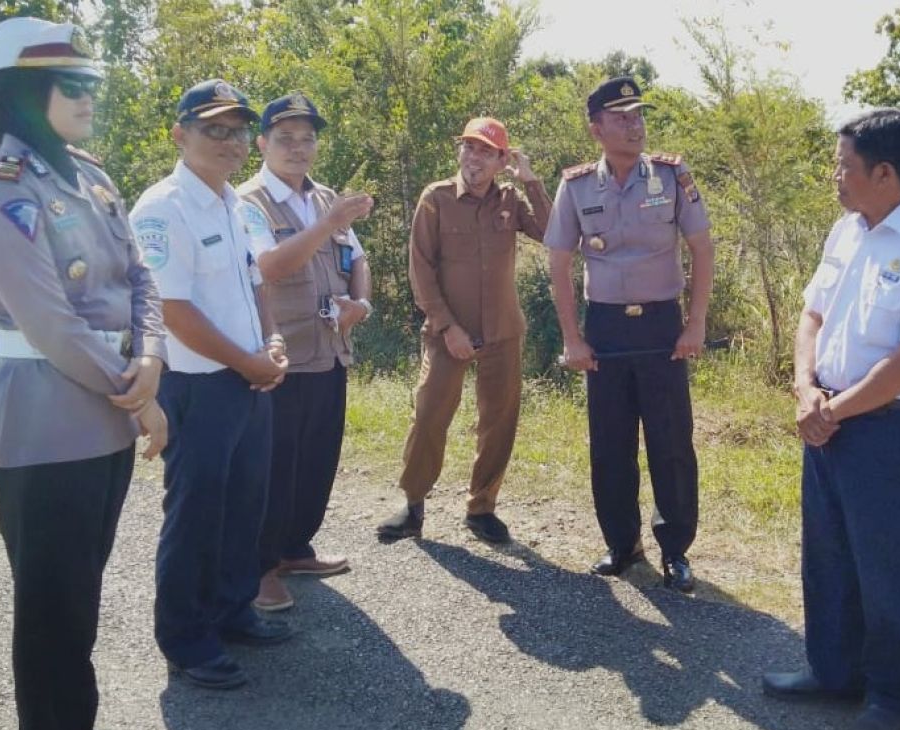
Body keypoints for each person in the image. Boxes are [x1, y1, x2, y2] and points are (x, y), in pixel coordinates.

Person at [0, 17, 167, 730]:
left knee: (79, 596)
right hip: (44, 423)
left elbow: (141, 278)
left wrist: (151, 356)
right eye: (73, 84)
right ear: (21, 91)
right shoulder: (0, 192)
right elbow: (50, 326)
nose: (91, 96)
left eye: (92, 83)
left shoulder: (90, 175)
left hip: (101, 417)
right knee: (50, 609)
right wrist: (142, 397)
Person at [759, 109, 900, 730]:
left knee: (885, 566)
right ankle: (834, 673)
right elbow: (812, 315)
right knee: (826, 554)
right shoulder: (846, 231)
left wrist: (832, 410)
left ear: (885, 172)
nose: (835, 178)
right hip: (827, 418)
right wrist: (805, 390)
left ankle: (890, 695)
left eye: (844, 167)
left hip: (889, 432)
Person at [130, 78, 292, 691]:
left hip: (249, 379)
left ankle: (231, 609)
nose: (230, 142)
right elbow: (173, 311)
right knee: (196, 513)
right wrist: (248, 363)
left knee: (244, 503)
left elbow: (255, 283)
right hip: (199, 389)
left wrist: (271, 342)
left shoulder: (234, 202)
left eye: (238, 131)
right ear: (180, 134)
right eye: (213, 129)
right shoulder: (162, 207)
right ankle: (186, 638)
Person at [544, 76, 713, 592]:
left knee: (671, 443)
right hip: (607, 329)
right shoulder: (575, 186)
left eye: (638, 115)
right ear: (596, 129)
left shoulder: (672, 174)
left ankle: (676, 551)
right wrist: (573, 338)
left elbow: (702, 250)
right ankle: (622, 544)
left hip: (663, 325)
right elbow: (559, 265)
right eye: (620, 118)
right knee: (611, 444)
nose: (633, 125)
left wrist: (696, 323)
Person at [377, 117, 551, 544]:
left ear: (501, 160)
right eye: (469, 148)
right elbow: (421, 270)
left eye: (485, 151)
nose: (474, 158)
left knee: (499, 421)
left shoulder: (510, 199)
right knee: (430, 416)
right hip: (446, 333)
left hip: (503, 332)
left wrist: (532, 182)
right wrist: (447, 327)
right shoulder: (435, 199)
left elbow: (552, 234)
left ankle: (481, 507)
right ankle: (413, 505)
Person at [238, 92, 374, 612]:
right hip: (279, 357)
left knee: (316, 460)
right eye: (286, 139)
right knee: (272, 465)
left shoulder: (325, 197)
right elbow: (268, 266)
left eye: (308, 138)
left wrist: (359, 303)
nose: (299, 149)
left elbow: (355, 256)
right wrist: (325, 223)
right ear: (262, 144)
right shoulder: (248, 201)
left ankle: (295, 549)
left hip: (330, 352)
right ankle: (260, 568)